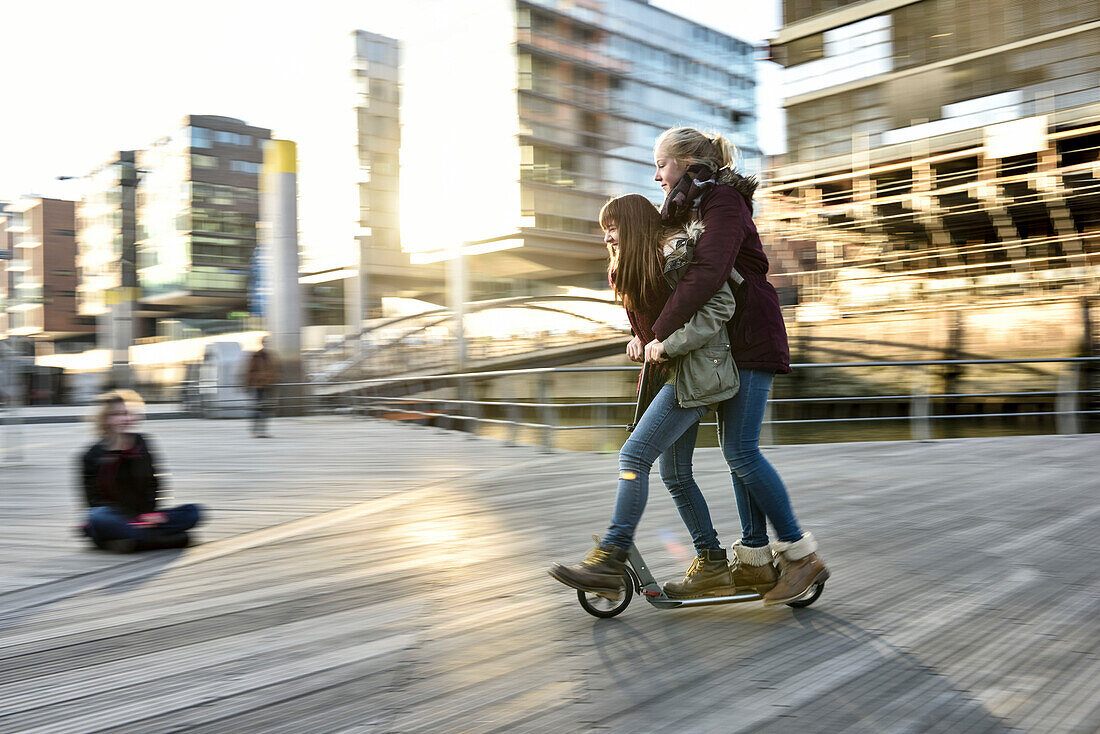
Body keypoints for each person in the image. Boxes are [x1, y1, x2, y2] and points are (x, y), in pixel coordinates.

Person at [648, 126, 829, 606]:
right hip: (732, 341)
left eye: (662, 164)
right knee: (736, 452)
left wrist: (661, 333)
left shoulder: (723, 201)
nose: (657, 175)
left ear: (687, 160)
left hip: (751, 336)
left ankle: (800, 554)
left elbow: (709, 274)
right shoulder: (704, 204)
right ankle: (754, 557)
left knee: (742, 452)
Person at [549, 193, 742, 599]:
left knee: (633, 456)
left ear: (634, 225)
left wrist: (668, 344)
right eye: (604, 232)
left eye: (613, 228)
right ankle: (712, 562)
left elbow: (720, 305)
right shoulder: (630, 269)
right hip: (666, 376)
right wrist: (637, 339)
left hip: (693, 374)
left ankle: (611, 556)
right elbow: (653, 321)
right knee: (675, 474)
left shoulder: (673, 256)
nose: (607, 238)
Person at [79, 389, 202, 552]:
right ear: (106, 419)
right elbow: (93, 501)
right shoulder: (92, 455)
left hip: (143, 517)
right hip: (116, 517)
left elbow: (154, 483)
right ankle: (165, 540)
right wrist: (128, 516)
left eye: (128, 413)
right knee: (98, 517)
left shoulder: (142, 443)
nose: (125, 418)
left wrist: (151, 514)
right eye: (118, 414)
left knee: (193, 511)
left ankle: (131, 540)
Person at [245, 336, 279, 438]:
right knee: (260, 408)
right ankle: (257, 430)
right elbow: (250, 371)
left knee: (264, 408)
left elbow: (275, 370)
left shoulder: (271, 356)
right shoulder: (257, 355)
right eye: (266, 342)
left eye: (268, 342)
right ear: (262, 343)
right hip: (258, 386)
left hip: (268, 385)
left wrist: (274, 380)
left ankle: (261, 430)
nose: (267, 343)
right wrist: (248, 384)